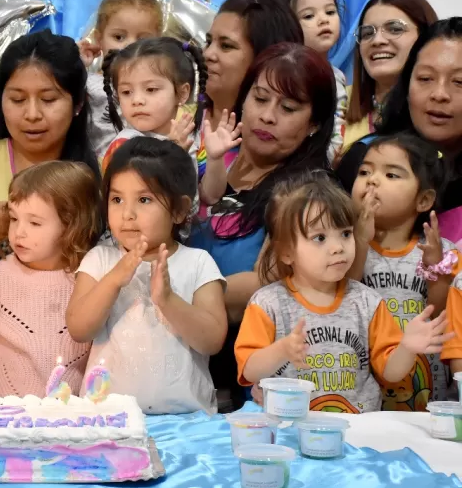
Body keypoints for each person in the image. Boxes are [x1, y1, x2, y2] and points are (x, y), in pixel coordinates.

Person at [188, 42, 336, 411]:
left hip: (247, 378)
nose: (268, 116)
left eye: (288, 108)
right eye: (260, 98)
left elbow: (272, 278)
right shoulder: (214, 159)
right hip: (182, 360)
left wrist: (170, 297)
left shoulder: (309, 191)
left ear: (314, 123)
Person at [235, 171, 453, 413]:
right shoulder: (267, 303)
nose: (338, 247)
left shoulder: (368, 301)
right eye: (319, 237)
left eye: (346, 234)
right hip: (290, 427)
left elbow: (391, 373)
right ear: (286, 252)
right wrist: (282, 350)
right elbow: (249, 370)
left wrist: (407, 348)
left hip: (356, 432)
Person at [67, 137, 227, 414]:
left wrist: (167, 300)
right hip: (107, 417)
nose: (127, 214)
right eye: (116, 199)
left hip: (187, 420)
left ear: (178, 209)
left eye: (144, 199)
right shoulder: (100, 259)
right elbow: (79, 329)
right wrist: (114, 279)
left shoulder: (198, 263)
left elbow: (212, 340)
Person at [0, 30, 99, 269]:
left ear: (78, 103)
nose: (32, 114)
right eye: (17, 100)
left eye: (48, 100)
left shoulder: (101, 174)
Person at [347, 134, 459, 409]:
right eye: (364, 171)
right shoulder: (343, 245)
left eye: (391, 175)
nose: (372, 180)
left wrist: (435, 268)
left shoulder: (442, 251)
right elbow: (343, 296)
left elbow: (442, 313)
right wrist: (360, 241)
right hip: (365, 383)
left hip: (426, 386)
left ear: (423, 200)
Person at [0, 161, 102, 397]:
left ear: (71, 225)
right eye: (13, 219)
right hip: (5, 417)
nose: (19, 232)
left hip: (70, 421)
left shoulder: (90, 279)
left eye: (34, 223)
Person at [337, 18, 462, 247]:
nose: (439, 94)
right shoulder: (365, 158)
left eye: (459, 82)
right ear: (406, 85)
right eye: (425, 79)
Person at [100, 36, 240, 208]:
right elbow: (143, 203)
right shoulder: (123, 146)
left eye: (151, 89)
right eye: (126, 92)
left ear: (182, 93)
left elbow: (210, 197)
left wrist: (215, 158)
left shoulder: (192, 139)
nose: (136, 100)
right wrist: (174, 154)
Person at [197, 0, 304, 197]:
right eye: (208, 42)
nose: (208, 54)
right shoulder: (179, 117)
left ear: (265, 58)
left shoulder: (270, 138)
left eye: (226, 45)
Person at [343, 0, 437, 152]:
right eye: (367, 33)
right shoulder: (338, 101)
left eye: (394, 29)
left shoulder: (443, 104)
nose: (377, 40)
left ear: (426, 37)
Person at [78, 0, 164, 156]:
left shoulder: (162, 88)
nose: (130, 46)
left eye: (143, 39)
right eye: (119, 37)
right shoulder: (86, 83)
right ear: (98, 39)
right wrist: (76, 66)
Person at [274, 0, 347, 163]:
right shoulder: (279, 75)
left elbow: (336, 132)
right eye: (309, 16)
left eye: (330, 12)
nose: (323, 20)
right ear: (287, 25)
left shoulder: (336, 76)